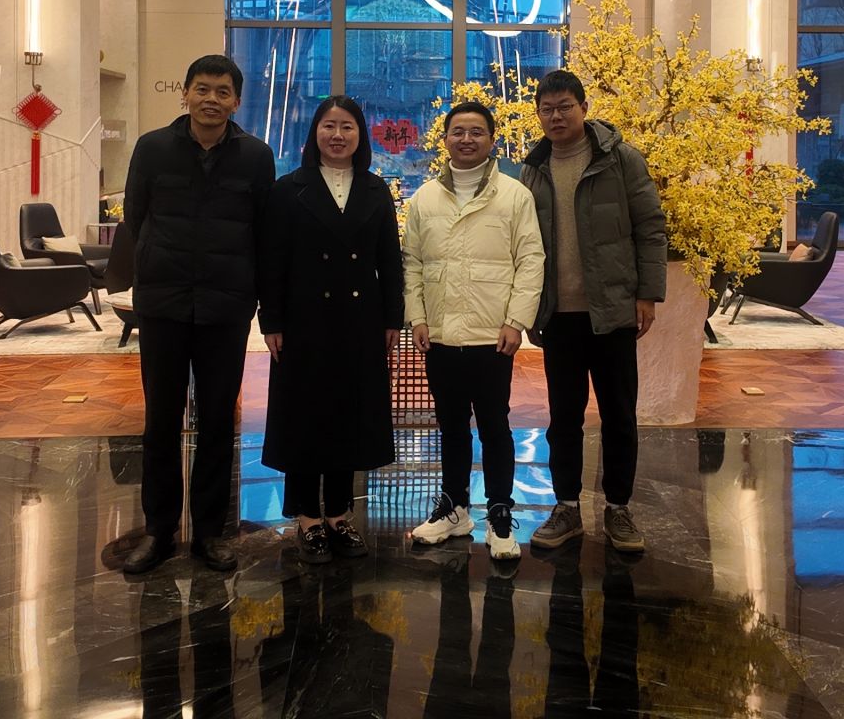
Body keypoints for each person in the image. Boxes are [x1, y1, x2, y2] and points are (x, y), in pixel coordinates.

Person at [119, 54, 278, 574]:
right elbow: (136, 217)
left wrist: (263, 304)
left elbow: (264, 233)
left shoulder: (255, 157)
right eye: (202, 89)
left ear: (237, 101)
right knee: (160, 422)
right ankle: (158, 531)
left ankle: (211, 532)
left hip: (225, 307)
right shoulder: (152, 148)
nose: (212, 99)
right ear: (185, 93)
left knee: (216, 423)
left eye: (222, 91)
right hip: (163, 304)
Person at [518, 69, 667, 554]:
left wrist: (647, 293)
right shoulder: (534, 167)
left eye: (565, 106)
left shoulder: (620, 159)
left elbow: (650, 226)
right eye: (547, 109)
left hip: (612, 311)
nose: (556, 116)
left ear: (584, 108)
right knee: (563, 417)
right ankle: (566, 507)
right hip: (558, 315)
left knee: (619, 414)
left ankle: (618, 508)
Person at [258, 95, 403, 565]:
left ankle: (339, 514)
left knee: (348, 415)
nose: (337, 135)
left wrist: (392, 318)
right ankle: (307, 518)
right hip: (303, 319)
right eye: (329, 126)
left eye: (347, 127)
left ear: (361, 135)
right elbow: (272, 262)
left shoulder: (376, 189)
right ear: (314, 132)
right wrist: (271, 320)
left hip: (361, 320)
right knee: (304, 416)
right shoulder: (288, 189)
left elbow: (390, 260)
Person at [403, 100, 545, 561]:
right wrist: (417, 316)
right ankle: (454, 509)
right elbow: (412, 263)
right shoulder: (425, 198)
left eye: (476, 132)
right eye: (458, 132)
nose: (466, 139)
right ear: (445, 139)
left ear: (491, 140)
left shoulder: (514, 196)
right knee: (450, 427)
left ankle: (499, 512)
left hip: (491, 336)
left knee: (494, 427)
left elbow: (531, 260)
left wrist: (515, 320)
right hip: (441, 334)